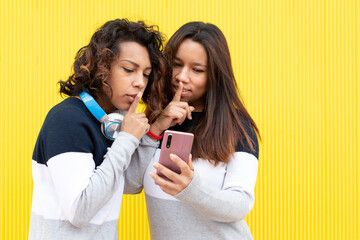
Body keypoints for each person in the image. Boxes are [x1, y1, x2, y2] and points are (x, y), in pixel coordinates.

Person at [29, 18, 165, 239]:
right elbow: (80, 210)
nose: (140, 82)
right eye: (129, 69)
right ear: (101, 66)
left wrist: (156, 128)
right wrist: (128, 139)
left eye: (146, 74)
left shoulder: (112, 121)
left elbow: (128, 184)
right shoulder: (67, 119)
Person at [124, 21, 261, 240]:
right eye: (177, 64)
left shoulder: (237, 128)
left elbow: (241, 205)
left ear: (215, 75)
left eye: (197, 70)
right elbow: (130, 184)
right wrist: (157, 127)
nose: (182, 76)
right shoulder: (153, 121)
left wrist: (192, 189)